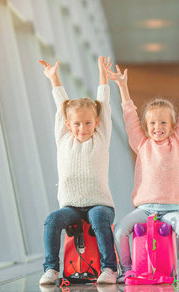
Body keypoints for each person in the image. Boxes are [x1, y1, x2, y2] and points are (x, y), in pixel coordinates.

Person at [106, 59, 179, 285]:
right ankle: (127, 270)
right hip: (145, 209)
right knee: (120, 230)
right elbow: (130, 117)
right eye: (152, 123)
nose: (157, 127)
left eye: (162, 123)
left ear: (171, 127)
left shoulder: (178, 141)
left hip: (171, 209)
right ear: (146, 126)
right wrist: (122, 87)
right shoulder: (141, 144)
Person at [38, 57, 118, 285]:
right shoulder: (63, 138)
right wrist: (54, 78)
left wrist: (103, 75)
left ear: (96, 123)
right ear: (67, 125)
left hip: (100, 204)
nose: (82, 128)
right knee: (52, 220)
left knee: (97, 216)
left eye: (88, 123)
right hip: (71, 206)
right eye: (77, 124)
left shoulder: (101, 138)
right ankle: (51, 269)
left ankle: (109, 269)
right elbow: (61, 105)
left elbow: (103, 102)